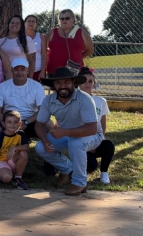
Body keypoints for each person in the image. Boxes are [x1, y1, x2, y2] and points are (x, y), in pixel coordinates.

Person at [35, 67, 103, 195]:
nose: (62, 86)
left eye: (66, 82)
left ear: (73, 83)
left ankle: (79, 183)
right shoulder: (48, 100)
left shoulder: (84, 99)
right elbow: (39, 124)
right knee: (40, 147)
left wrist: (64, 132)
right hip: (67, 134)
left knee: (76, 143)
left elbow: (92, 129)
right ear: (53, 85)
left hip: (92, 135)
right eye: (58, 83)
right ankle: (66, 168)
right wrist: (45, 141)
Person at [0, 58, 48, 140]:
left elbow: (42, 109)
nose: (20, 72)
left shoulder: (37, 86)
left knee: (49, 125)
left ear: (27, 71)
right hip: (8, 121)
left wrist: (26, 122)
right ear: (12, 71)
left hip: (30, 121)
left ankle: (50, 147)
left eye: (23, 69)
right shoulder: (2, 86)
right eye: (16, 69)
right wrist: (8, 123)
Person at [78, 67, 115, 184]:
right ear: (78, 83)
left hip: (95, 140)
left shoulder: (101, 101)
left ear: (94, 84)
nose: (87, 84)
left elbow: (103, 125)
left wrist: (98, 142)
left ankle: (104, 173)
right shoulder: (73, 100)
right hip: (80, 142)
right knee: (91, 167)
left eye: (90, 81)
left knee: (109, 145)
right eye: (84, 81)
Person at [0, 110, 30, 190]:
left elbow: (27, 147)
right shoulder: (0, 137)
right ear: (4, 124)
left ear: (20, 124)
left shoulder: (21, 134)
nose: (12, 125)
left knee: (23, 153)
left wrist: (15, 148)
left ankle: (18, 178)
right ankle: (2, 173)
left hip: (13, 160)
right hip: (2, 162)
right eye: (9, 122)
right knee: (7, 178)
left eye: (15, 122)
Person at [45, 9, 94, 76]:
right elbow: (42, 47)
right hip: (53, 71)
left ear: (73, 19)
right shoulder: (52, 32)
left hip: (74, 71)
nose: (64, 20)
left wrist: (79, 57)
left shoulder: (81, 32)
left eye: (67, 18)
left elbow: (90, 49)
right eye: (61, 19)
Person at [25, 14, 47, 81]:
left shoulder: (41, 37)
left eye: (33, 21)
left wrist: (42, 71)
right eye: (29, 21)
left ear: (36, 24)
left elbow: (44, 55)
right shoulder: (20, 37)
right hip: (23, 70)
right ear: (24, 23)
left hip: (37, 70)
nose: (31, 23)